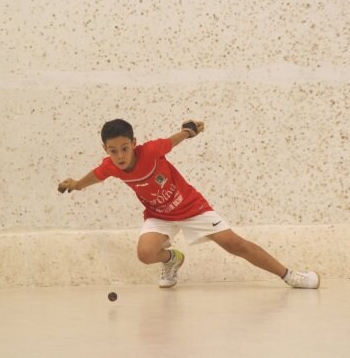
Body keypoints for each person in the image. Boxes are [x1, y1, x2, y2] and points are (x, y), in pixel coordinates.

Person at [58, 119, 320, 289]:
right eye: (113, 151)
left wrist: (189, 130)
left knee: (234, 244)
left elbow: (174, 140)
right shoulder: (111, 167)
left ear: (134, 144)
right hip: (159, 215)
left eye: (124, 148)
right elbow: (96, 176)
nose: (120, 156)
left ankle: (290, 275)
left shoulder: (151, 150)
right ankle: (172, 259)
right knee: (145, 254)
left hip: (192, 207)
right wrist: (77, 184)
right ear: (105, 149)